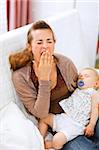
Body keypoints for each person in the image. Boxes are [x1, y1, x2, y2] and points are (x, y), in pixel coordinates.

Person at [9, 20, 99, 150]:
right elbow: (41, 114)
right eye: (39, 42)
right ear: (29, 46)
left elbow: (82, 88)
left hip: (84, 114)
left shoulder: (64, 63)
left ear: (54, 43)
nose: (45, 46)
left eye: (49, 41)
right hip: (60, 124)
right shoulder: (21, 76)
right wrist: (44, 80)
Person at [38, 68, 99, 150]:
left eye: (86, 76)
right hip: (64, 118)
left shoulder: (94, 93)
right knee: (44, 118)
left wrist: (91, 125)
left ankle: (52, 144)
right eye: (80, 77)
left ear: (96, 84)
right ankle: (39, 138)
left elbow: (95, 109)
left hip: (75, 125)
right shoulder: (77, 90)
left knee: (57, 140)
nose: (82, 78)